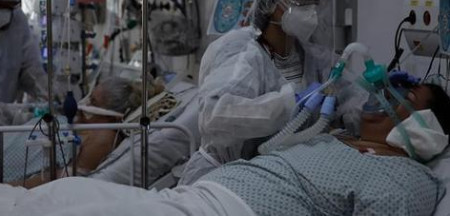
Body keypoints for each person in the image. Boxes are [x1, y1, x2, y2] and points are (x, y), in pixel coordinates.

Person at [4, 82, 449, 216]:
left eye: (405, 95)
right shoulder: (334, 137)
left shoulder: (406, 180)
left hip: (228, 212)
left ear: (426, 127)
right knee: (59, 196)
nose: (384, 93)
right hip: (195, 198)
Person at [179, 0, 362, 185]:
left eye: (315, 2)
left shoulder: (313, 57)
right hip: (222, 179)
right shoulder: (240, 52)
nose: (312, 12)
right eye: (302, 3)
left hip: (276, 179)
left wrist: (378, 92)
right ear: (271, 3)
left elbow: (352, 97)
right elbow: (215, 116)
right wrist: (287, 104)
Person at [9, 75, 164, 187]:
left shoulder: (104, 137)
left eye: (93, 101)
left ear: (113, 115)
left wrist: (8, 187)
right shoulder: (82, 123)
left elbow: (60, 179)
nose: (85, 104)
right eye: (90, 97)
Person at [0, 0, 47, 105]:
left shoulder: (17, 21)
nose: (5, 14)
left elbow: (30, 69)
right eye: (1, 6)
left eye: (11, 7)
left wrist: (49, 95)